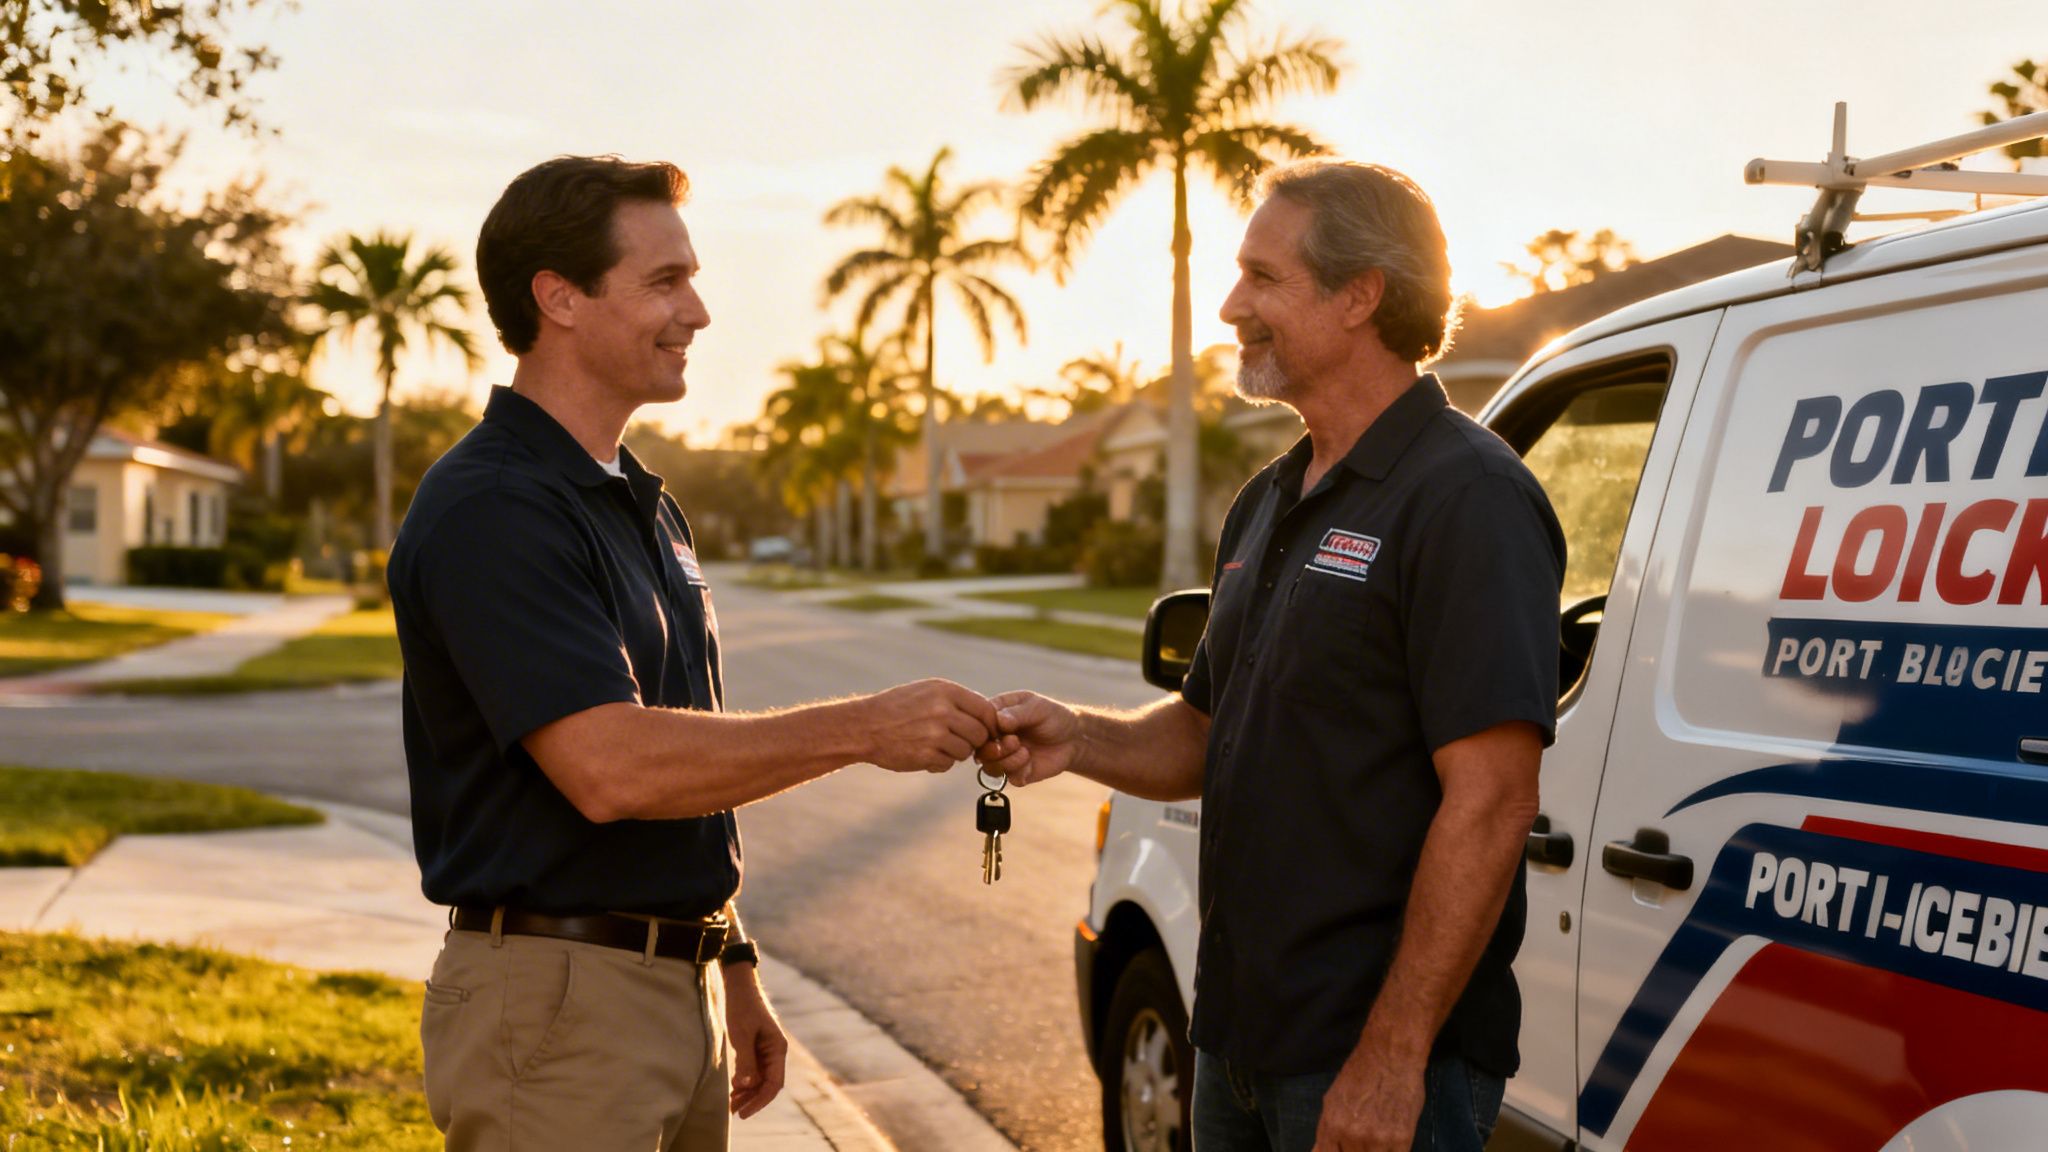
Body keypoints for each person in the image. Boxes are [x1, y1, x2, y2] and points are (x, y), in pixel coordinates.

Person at [388, 154, 998, 1152]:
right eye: (665, 281)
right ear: (560, 299)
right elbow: (609, 767)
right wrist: (866, 726)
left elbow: (690, 753)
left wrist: (730, 959)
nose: (700, 312)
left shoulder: (641, 502)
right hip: (559, 1009)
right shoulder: (496, 506)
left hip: (675, 990)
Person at [980, 160, 1564, 1152]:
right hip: (1237, 1044)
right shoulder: (1269, 499)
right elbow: (1204, 733)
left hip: (1372, 1064)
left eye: (1260, 277)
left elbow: (1492, 800)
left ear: (1359, 295)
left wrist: (1390, 1059)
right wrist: (1071, 736)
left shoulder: (1466, 497)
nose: (1228, 304)